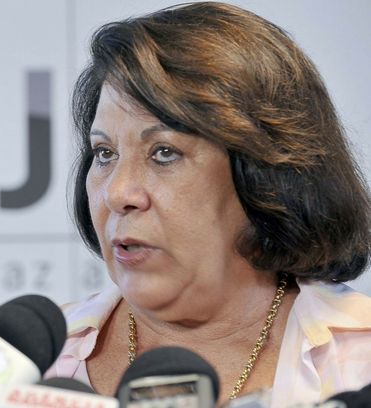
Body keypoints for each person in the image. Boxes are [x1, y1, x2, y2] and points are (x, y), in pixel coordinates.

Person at [45, 2, 371, 406]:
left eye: (164, 152)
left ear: (265, 176)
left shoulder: (362, 363)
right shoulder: (31, 362)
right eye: (105, 153)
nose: (117, 193)